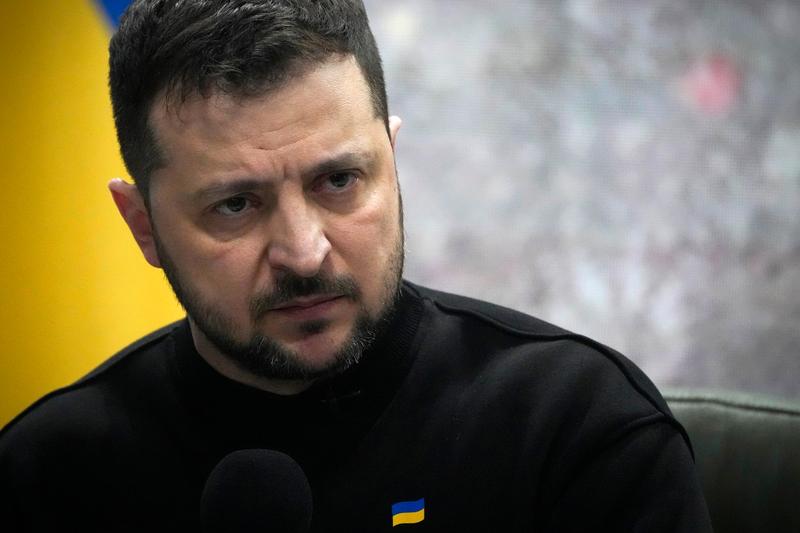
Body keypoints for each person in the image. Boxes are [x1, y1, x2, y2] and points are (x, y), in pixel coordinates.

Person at [0, 1, 713, 531]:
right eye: (236, 205)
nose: (304, 251)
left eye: (338, 181)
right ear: (143, 225)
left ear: (391, 162)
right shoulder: (48, 477)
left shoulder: (575, 430)